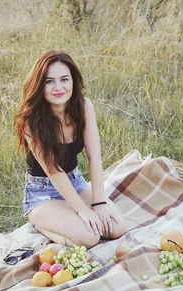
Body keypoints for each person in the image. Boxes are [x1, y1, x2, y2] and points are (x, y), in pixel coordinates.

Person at [15, 50, 126, 249]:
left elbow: (95, 158)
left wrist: (98, 204)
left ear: (73, 81)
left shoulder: (83, 107)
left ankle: (67, 218)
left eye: (64, 79)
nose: (58, 87)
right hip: (42, 192)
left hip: (75, 182)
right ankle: (40, 224)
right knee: (91, 237)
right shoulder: (31, 120)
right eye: (49, 81)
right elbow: (54, 172)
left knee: (116, 228)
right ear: (40, 85)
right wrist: (82, 210)